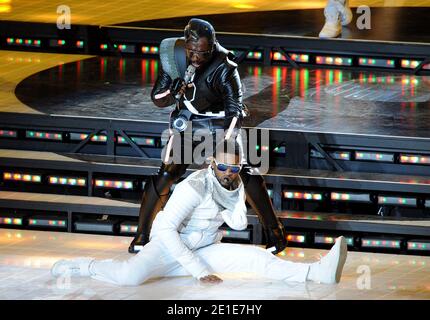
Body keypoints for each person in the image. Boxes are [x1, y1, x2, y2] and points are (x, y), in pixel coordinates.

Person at [51, 141, 348, 286]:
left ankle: (315, 271)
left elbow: (237, 223)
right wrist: (198, 270)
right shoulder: (193, 186)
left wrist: (233, 195)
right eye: (223, 167)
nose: (228, 173)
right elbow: (164, 229)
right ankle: (83, 265)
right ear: (211, 164)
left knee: (256, 257)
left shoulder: (235, 183)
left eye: (234, 168)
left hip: (205, 246)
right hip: (170, 248)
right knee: (130, 277)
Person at [129, 18, 288, 254]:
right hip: (189, 118)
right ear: (185, 44)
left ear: (211, 48)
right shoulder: (172, 57)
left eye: (202, 53)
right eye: (192, 51)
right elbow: (157, 98)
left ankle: (275, 232)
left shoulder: (225, 68)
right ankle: (142, 235)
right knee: (166, 173)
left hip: (220, 121)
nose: (196, 57)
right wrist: (172, 93)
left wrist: (227, 142)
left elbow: (235, 110)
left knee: (240, 171)